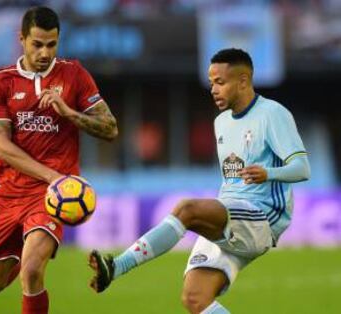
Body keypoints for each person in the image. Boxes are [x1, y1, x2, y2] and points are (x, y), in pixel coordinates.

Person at [89, 48, 310, 314]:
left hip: (262, 217)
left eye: (220, 82)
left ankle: (117, 267)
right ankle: (116, 269)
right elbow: (231, 178)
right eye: (211, 83)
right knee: (195, 299)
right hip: (233, 216)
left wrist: (269, 173)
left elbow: (302, 168)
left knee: (187, 210)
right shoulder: (221, 123)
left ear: (243, 81)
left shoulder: (272, 114)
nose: (213, 90)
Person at [0, 6, 118, 314]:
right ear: (22, 39)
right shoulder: (0, 81)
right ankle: (21, 258)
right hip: (9, 194)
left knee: (32, 272)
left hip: (52, 197)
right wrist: (52, 175)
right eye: (37, 44)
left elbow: (110, 128)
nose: (44, 52)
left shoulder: (74, 75)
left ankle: (27, 262)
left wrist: (69, 112)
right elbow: (1, 146)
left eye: (51, 44)